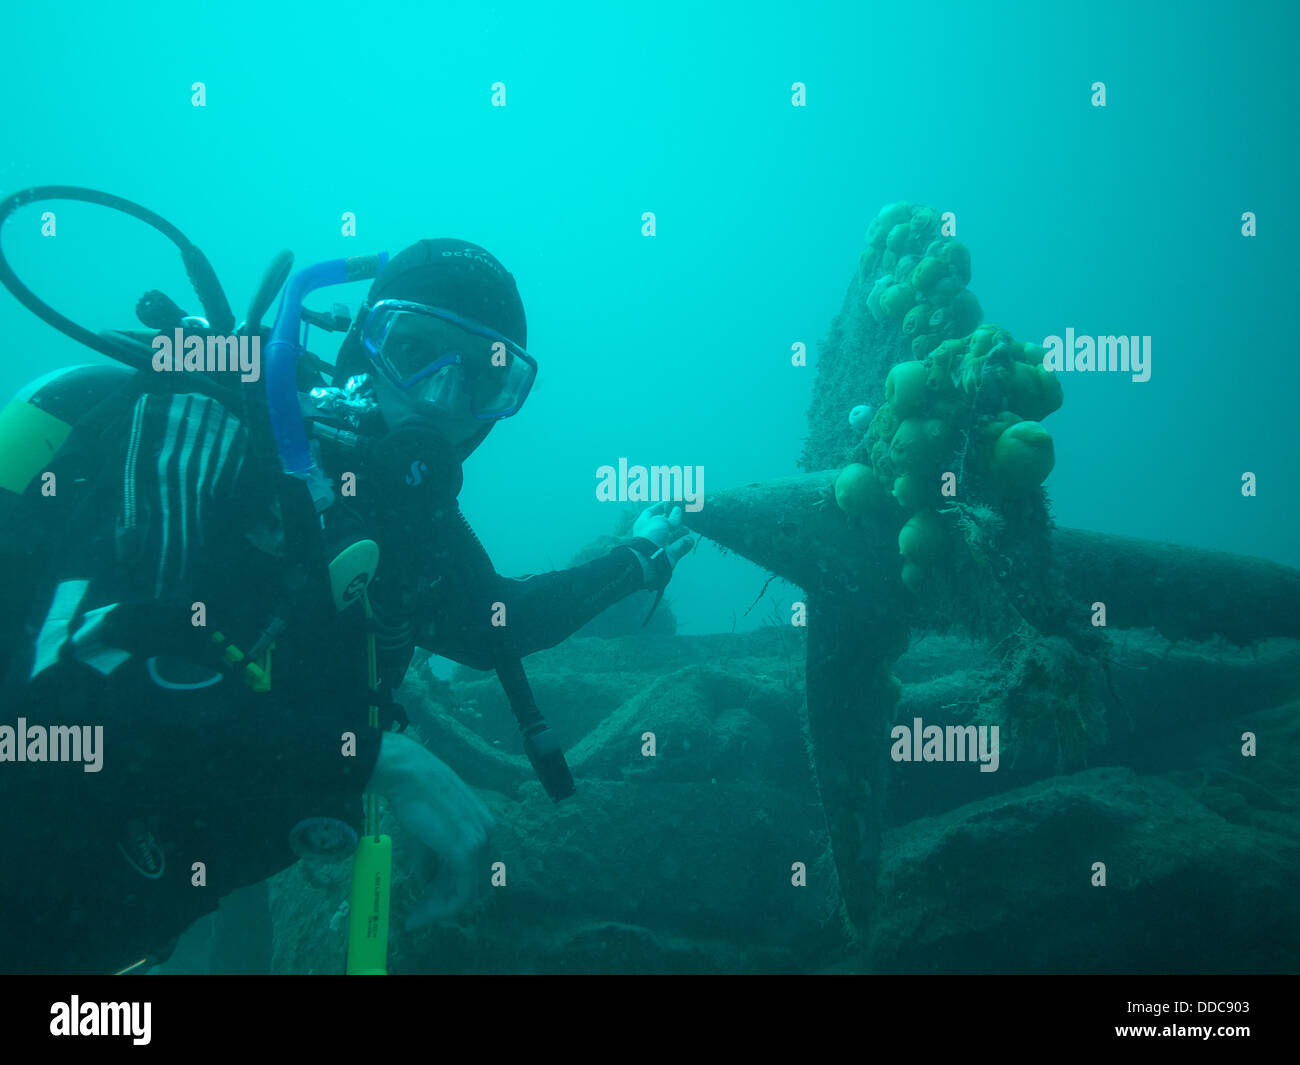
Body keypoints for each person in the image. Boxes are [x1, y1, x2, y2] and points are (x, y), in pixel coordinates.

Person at [0, 238, 693, 973]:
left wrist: (640, 558)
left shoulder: (409, 525)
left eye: (483, 378)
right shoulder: (209, 444)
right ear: (362, 346)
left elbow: (502, 619)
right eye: (416, 350)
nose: (440, 397)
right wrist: (374, 760)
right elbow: (46, 714)